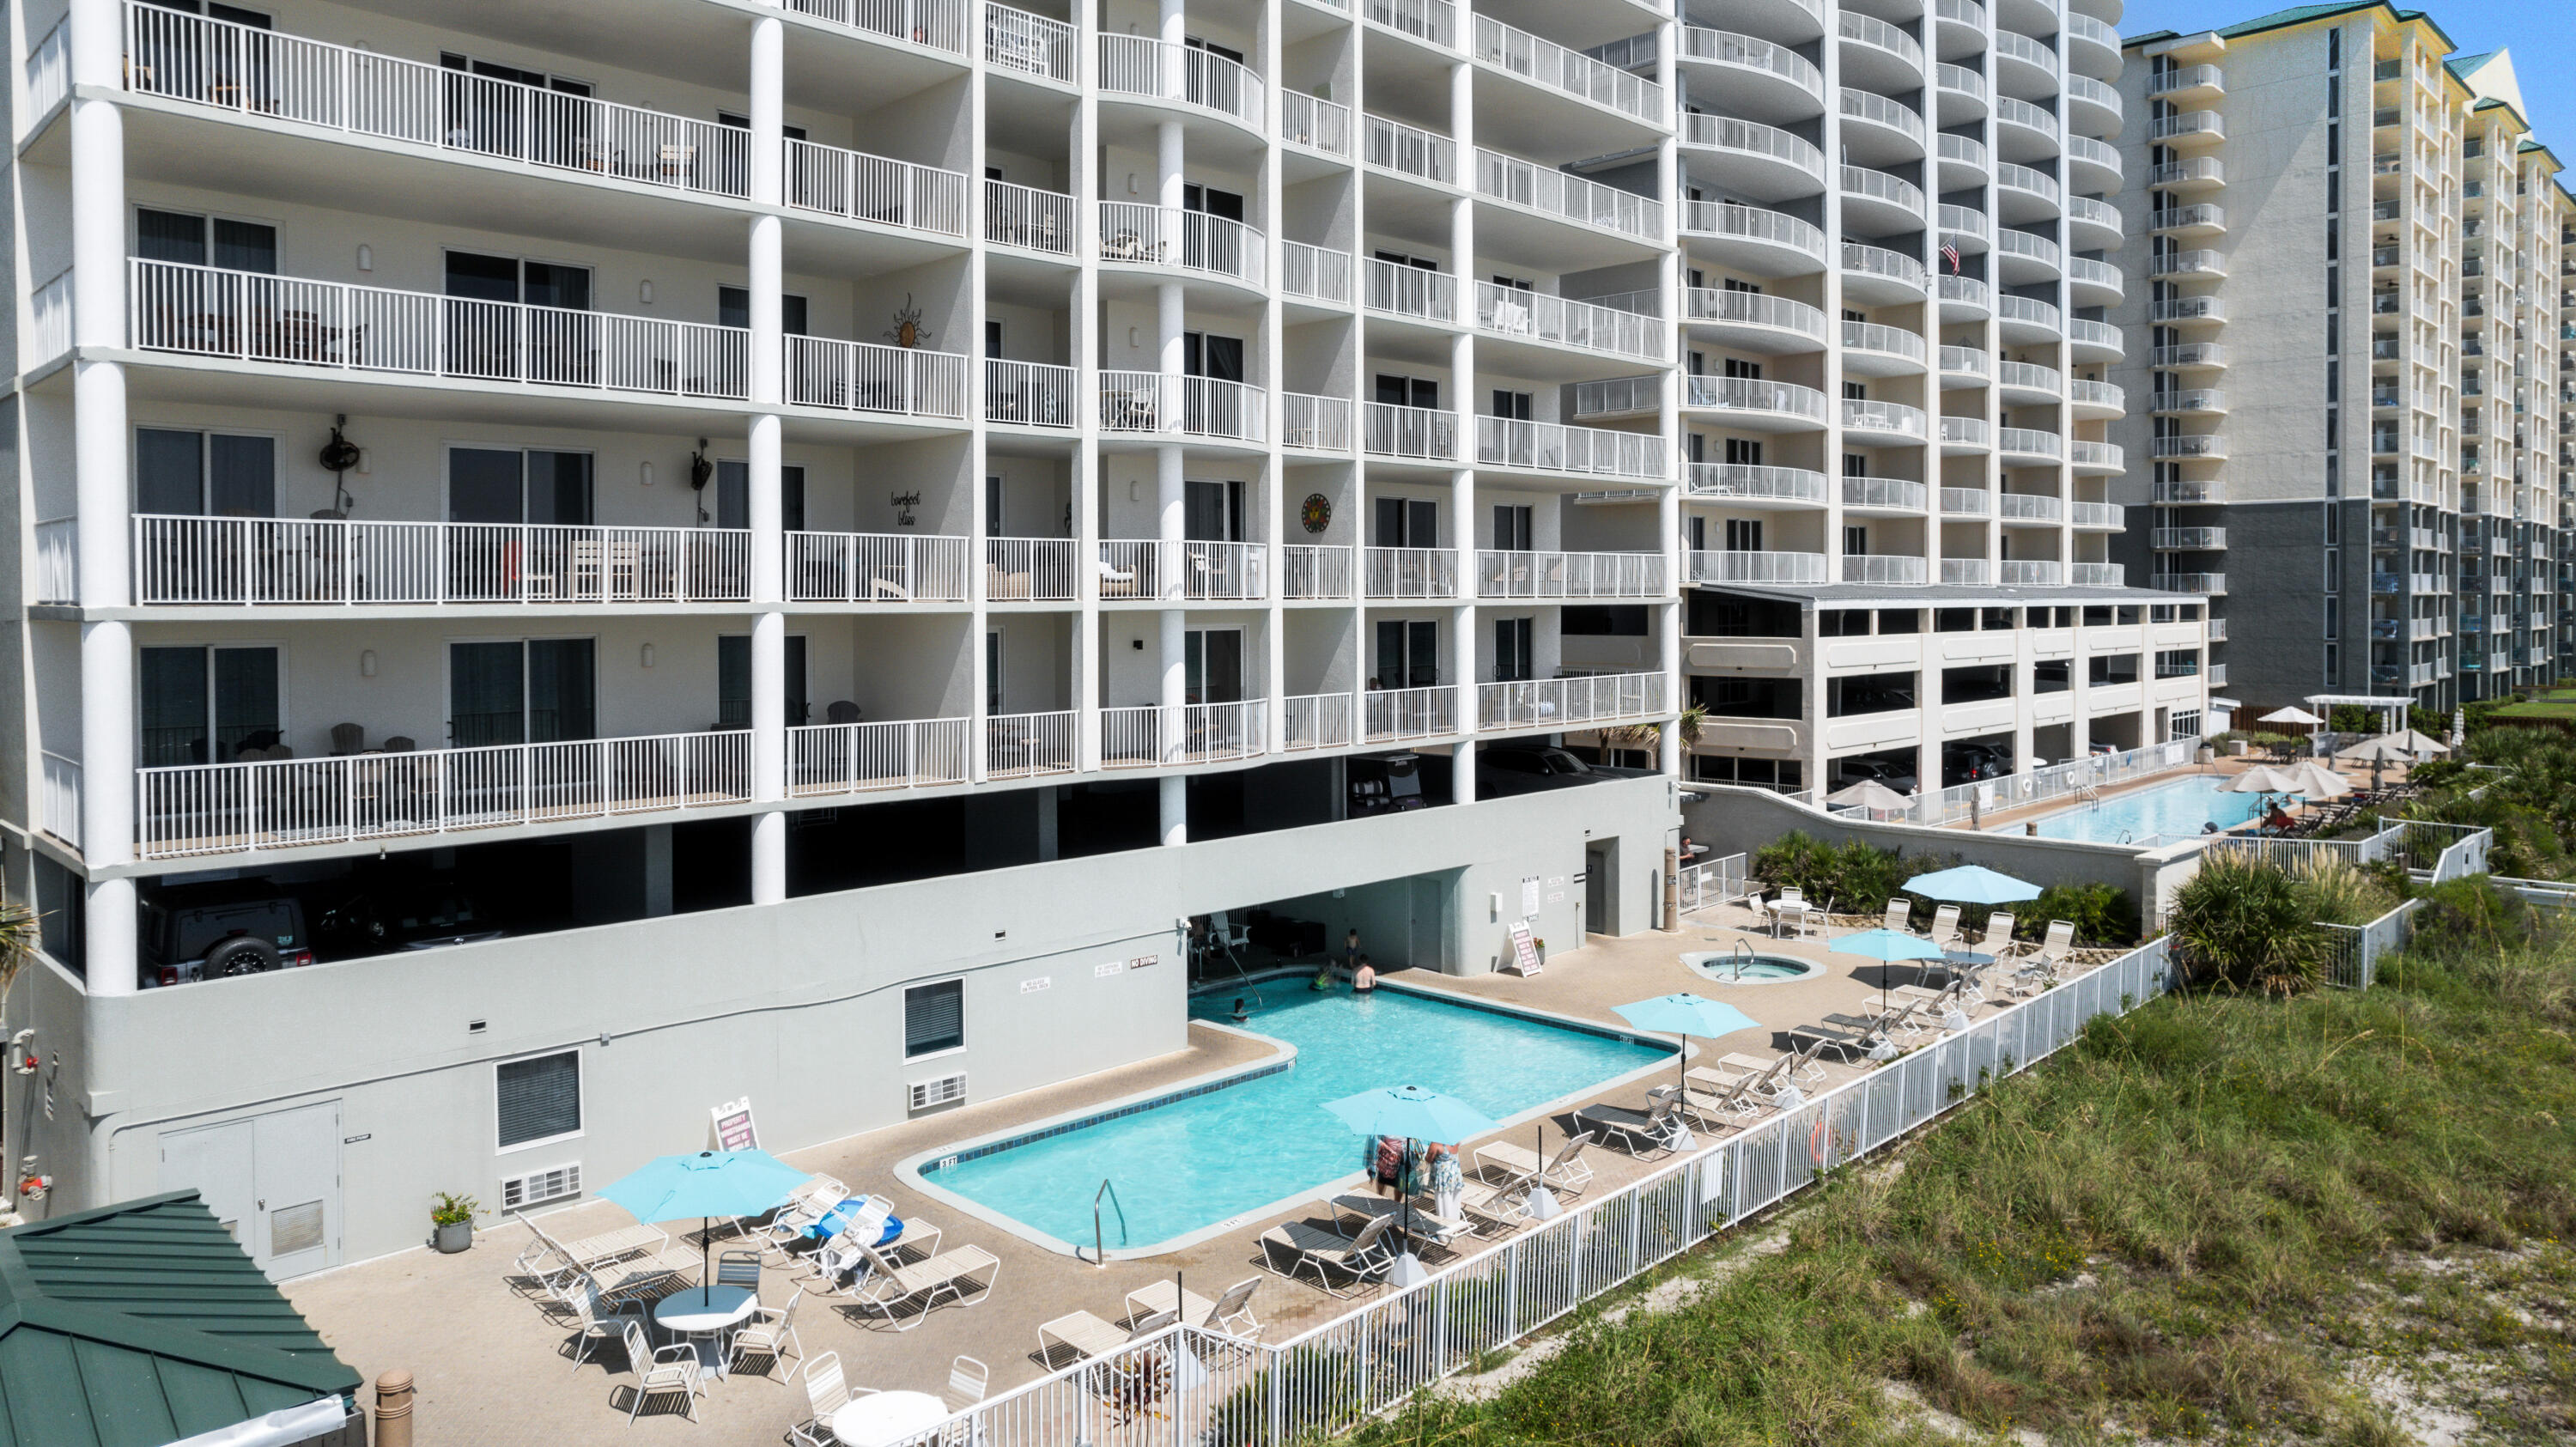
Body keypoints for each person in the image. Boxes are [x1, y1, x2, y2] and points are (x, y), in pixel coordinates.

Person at [1426, 1141, 1463, 1222]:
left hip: (1443, 1180)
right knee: (1455, 1205)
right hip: (1455, 1176)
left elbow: (1428, 1159)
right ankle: (1455, 1226)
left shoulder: (1435, 1145)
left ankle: (1444, 1230)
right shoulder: (1455, 1141)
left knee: (1443, 1207)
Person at [1372, 1134, 1406, 1198]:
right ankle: (1380, 1197)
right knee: (1382, 1179)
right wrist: (1382, 1144)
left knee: (1400, 1181)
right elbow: (1376, 1136)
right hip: (1387, 1152)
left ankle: (1397, 1203)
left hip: (1402, 1152)